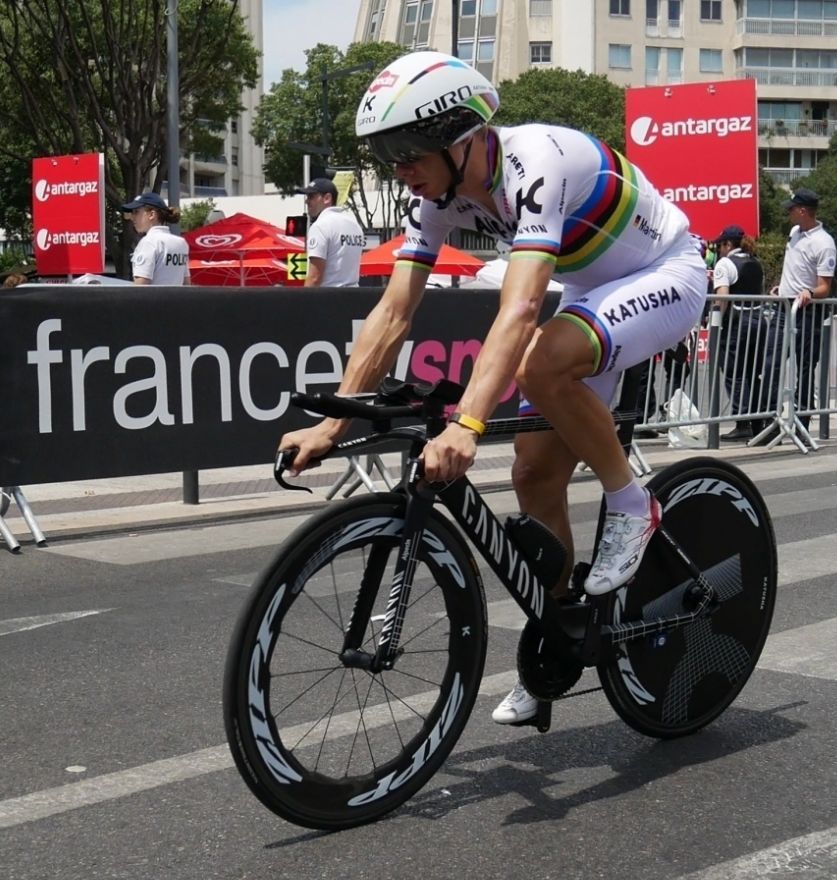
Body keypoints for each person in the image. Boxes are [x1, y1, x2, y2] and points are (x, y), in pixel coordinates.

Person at [278, 50, 709, 726]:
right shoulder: (433, 200)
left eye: (407, 150)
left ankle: (633, 503)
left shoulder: (533, 163)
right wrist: (334, 424)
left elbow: (521, 308)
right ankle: (556, 639)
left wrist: (467, 424)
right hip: (593, 288)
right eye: (386, 154)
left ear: (460, 137)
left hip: (666, 272)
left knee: (541, 362)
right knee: (533, 475)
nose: (399, 168)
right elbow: (393, 312)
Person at [709, 224, 772, 442]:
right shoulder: (756, 262)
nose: (719, 250)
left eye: (720, 245)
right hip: (759, 321)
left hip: (737, 323)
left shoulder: (724, 264)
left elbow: (722, 297)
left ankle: (742, 422)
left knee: (733, 372)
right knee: (753, 373)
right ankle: (757, 422)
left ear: (728, 244)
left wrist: (715, 321)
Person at [774, 189, 836, 411]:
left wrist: (810, 292)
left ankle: (802, 415)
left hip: (806, 311)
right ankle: (770, 415)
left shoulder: (824, 243)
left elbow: (825, 287)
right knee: (772, 360)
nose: (788, 213)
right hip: (784, 307)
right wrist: (782, 287)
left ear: (802, 211)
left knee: (805, 366)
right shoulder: (794, 232)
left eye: (791, 209)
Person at [298, 177, 366, 287]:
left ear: (327, 198)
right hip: (354, 293)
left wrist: (302, 298)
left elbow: (315, 277)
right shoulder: (355, 225)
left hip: (329, 294)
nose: (307, 201)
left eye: (311, 196)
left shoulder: (320, 226)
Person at [122, 193, 189, 286]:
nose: (132, 217)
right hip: (177, 296)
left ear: (152, 214)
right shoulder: (181, 243)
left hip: (152, 296)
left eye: (136, 212)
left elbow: (140, 287)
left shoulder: (148, 242)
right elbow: (186, 284)